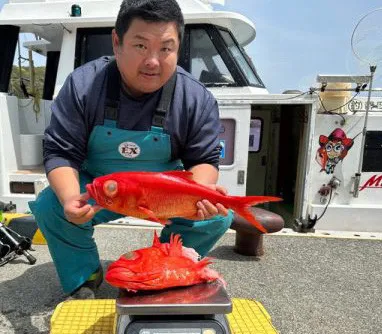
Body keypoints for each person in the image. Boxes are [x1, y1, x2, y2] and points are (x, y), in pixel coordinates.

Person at [29, 0, 234, 298]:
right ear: (117, 42)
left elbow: (203, 160)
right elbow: (61, 152)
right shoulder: (83, 86)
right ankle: (85, 274)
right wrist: (72, 198)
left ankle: (163, 267)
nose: (153, 61)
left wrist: (199, 197)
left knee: (218, 216)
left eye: (165, 48)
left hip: (164, 191)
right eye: (140, 46)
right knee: (51, 206)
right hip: (101, 187)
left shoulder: (196, 98)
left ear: (179, 47)